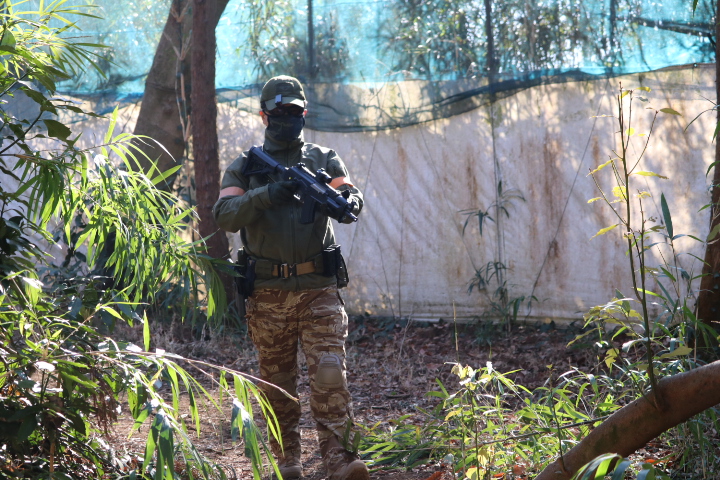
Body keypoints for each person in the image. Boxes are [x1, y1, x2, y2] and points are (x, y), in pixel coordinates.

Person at [212, 75, 367, 480]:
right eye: (279, 112)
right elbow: (224, 215)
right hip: (267, 295)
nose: (286, 118)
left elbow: (348, 194)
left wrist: (348, 199)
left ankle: (339, 460)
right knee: (277, 384)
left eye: (294, 111)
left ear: (305, 113)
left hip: (319, 290)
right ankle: (288, 461)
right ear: (263, 115)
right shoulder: (246, 166)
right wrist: (266, 194)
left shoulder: (324, 158)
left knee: (330, 374)